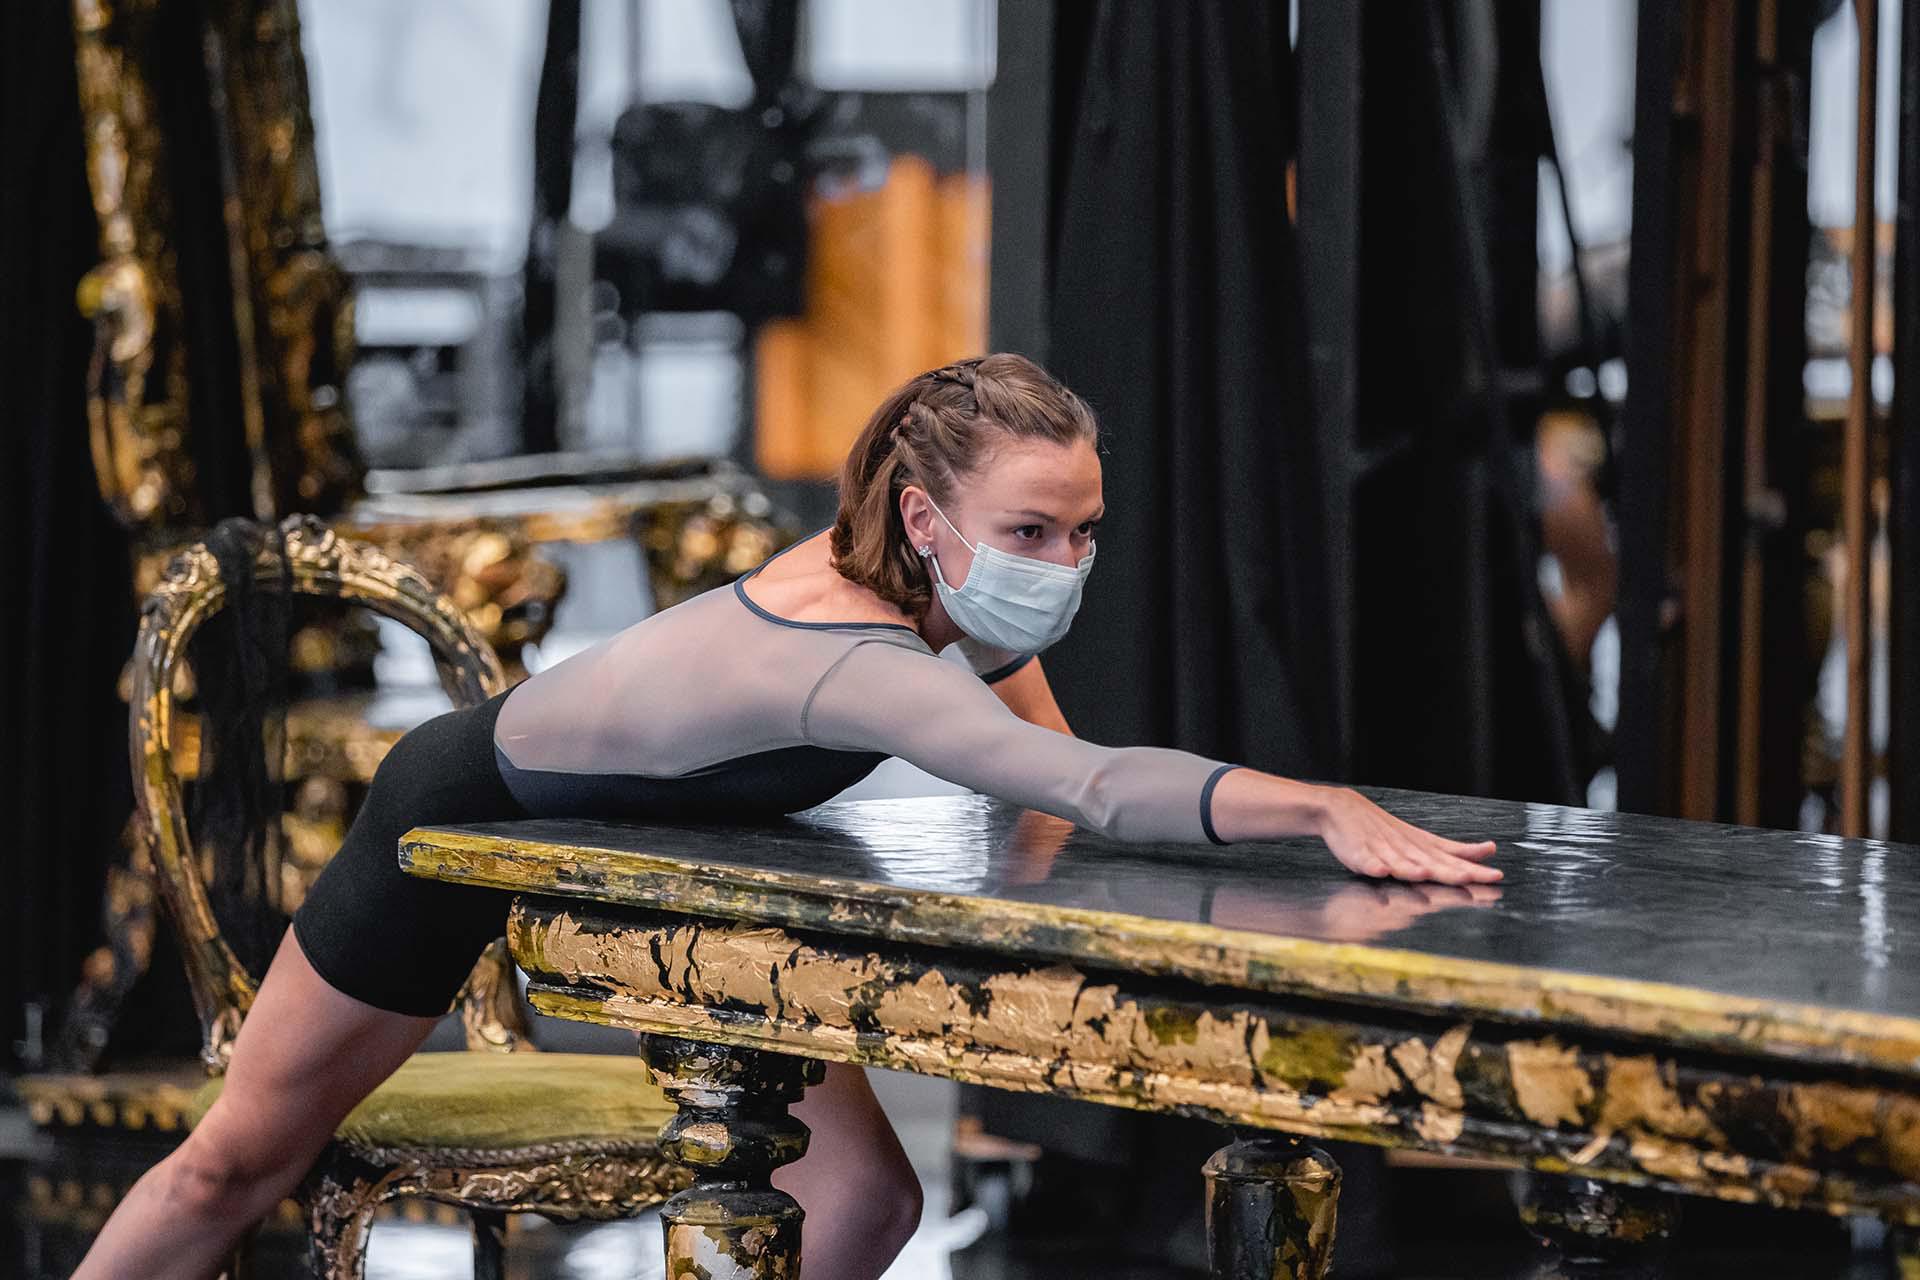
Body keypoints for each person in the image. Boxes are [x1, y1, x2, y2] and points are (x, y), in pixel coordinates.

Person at [76, 353, 1498, 1280]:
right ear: (922, 514)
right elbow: (1088, 785)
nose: (1065, 566)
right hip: (455, 819)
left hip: (675, 863)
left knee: (869, 1206)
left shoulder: (953, 595)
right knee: (234, 1166)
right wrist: (1316, 804)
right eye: (1031, 534)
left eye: (1085, 530)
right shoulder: (849, 656)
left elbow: (1064, 787)